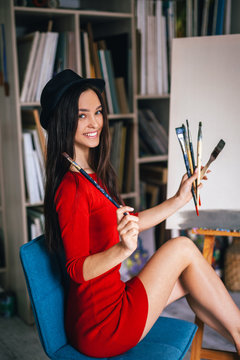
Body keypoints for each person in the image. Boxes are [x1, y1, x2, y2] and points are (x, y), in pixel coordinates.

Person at [40, 69, 240, 358]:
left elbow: (129, 223)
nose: (95, 122)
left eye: (97, 112)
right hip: (101, 325)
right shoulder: (71, 188)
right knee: (183, 247)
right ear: (62, 121)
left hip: (112, 301)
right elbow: (76, 269)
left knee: (189, 279)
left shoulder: (91, 175)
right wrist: (123, 250)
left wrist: (179, 199)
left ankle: (236, 339)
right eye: (82, 115)